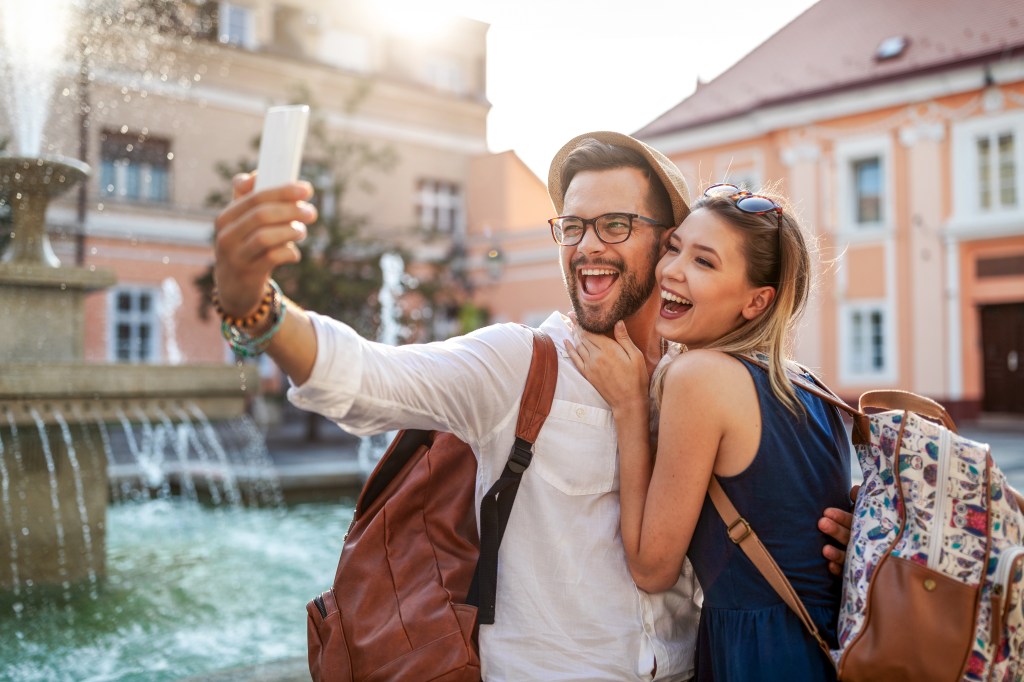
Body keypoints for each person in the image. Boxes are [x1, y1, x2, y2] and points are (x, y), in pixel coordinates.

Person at [211, 131, 852, 680]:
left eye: (615, 225)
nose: (587, 245)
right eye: (572, 226)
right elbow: (366, 378)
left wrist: (837, 542)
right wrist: (256, 307)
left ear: (668, 245)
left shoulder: (700, 378)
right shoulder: (519, 362)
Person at [567, 183, 852, 681]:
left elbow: (652, 568)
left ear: (756, 301)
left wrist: (630, 406)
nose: (671, 270)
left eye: (704, 261)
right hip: (824, 647)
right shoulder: (808, 385)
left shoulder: (699, 376)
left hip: (759, 655)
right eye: (674, 248)